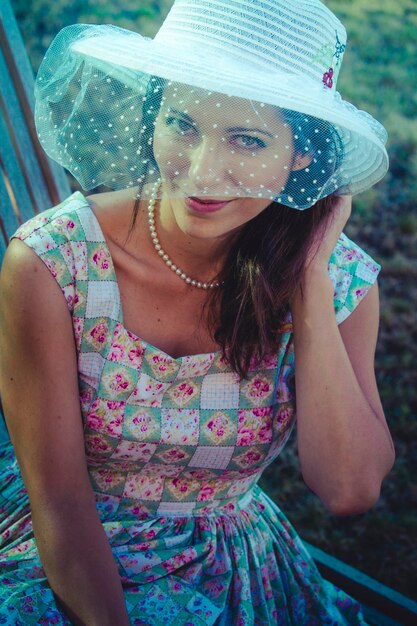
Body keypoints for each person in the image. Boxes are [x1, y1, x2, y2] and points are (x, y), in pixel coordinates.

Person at [0, 0, 395, 624]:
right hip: (67, 555)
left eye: (247, 139)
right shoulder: (52, 263)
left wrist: (310, 290)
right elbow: (61, 501)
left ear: (301, 157)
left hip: (233, 565)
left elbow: (350, 489)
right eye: (182, 123)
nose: (203, 172)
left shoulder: (336, 280)